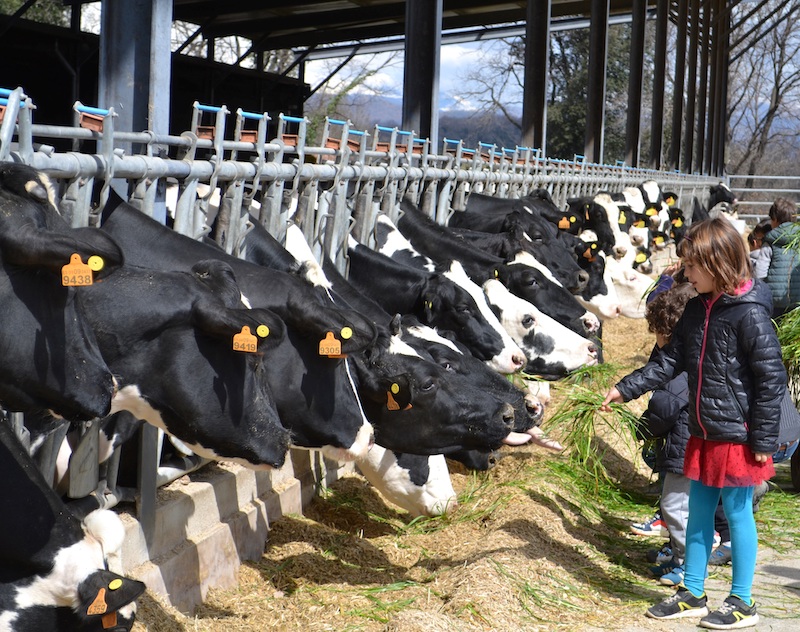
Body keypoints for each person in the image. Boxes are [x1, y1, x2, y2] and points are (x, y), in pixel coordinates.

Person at [601, 217, 786, 629]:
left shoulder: (749, 314)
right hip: (704, 430)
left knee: (738, 515)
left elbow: (772, 378)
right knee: (698, 513)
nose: (685, 272)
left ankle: (742, 603)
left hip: (738, 434)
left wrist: (764, 437)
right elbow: (670, 360)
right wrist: (624, 388)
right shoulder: (697, 309)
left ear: (717, 264)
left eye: (692, 266)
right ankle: (694, 592)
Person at [635, 281, 698, 587]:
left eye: (660, 333)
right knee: (679, 503)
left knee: (674, 504)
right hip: (680, 443)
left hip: (682, 445)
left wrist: (642, 428)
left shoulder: (682, 364)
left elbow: (664, 406)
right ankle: (678, 557)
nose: (657, 340)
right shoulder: (682, 355)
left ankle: (688, 567)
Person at [764, 197, 800, 317]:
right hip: (798, 300)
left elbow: (760, 271)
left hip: (775, 301)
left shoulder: (770, 242)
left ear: (774, 219)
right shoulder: (798, 240)